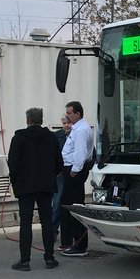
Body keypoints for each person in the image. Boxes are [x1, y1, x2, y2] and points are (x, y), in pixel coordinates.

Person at [8, 107, 62, 271]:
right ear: (41, 119)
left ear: (27, 120)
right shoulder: (52, 138)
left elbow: (13, 164)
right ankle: (49, 258)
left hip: (25, 186)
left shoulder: (18, 139)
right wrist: (50, 175)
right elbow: (59, 163)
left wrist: (16, 181)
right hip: (46, 186)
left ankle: (25, 261)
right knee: (46, 221)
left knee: (26, 222)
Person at [59, 100, 94, 257]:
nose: (67, 116)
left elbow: (80, 152)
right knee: (67, 205)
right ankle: (69, 241)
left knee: (74, 206)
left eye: (69, 113)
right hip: (71, 169)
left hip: (74, 171)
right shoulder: (78, 128)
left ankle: (79, 245)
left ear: (77, 114)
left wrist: (74, 171)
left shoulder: (81, 130)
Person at [51, 115, 72, 229]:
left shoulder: (77, 135)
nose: (66, 126)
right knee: (56, 203)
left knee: (66, 202)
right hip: (58, 174)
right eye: (64, 123)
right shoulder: (56, 136)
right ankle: (53, 229)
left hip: (72, 173)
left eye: (69, 123)